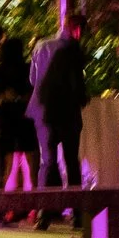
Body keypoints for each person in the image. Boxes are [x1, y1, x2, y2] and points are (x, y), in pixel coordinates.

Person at [27, 16, 89, 201]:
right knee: (71, 161)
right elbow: (77, 85)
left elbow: (32, 80)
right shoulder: (73, 50)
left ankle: (44, 211)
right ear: (77, 29)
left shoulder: (41, 45)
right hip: (67, 112)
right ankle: (77, 212)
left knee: (47, 161)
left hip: (43, 111)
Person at [0, 22, 37, 198]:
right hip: (26, 116)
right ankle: (33, 203)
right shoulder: (29, 69)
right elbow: (34, 93)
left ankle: (9, 204)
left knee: (9, 161)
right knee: (30, 160)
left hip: (6, 118)